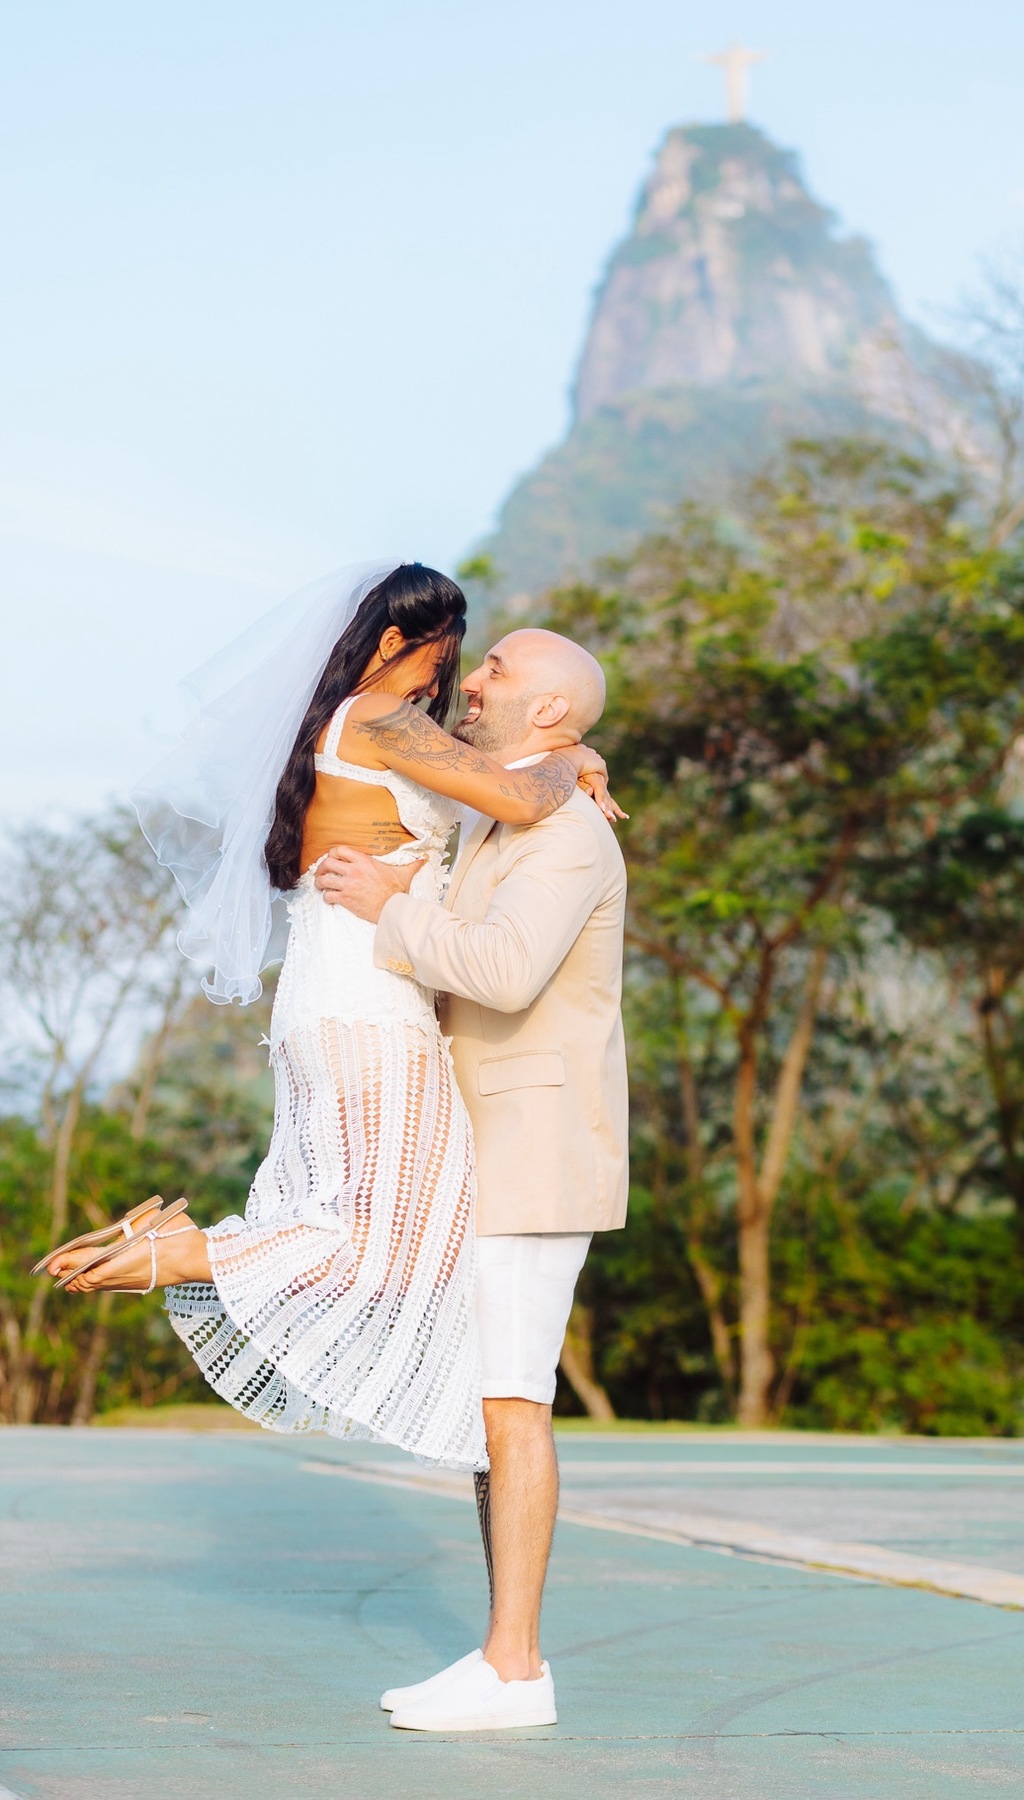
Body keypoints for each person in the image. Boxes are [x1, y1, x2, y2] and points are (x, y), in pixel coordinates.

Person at [40, 565, 616, 1480]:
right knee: (393, 1250)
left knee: (392, 1237)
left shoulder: (341, 730)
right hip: (371, 1005)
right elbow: (519, 800)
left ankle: (184, 1248)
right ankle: (184, 1251)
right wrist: (573, 759)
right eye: (444, 653)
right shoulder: (380, 721)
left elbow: (499, 794)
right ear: (395, 643)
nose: (450, 678)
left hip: (333, 1000)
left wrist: (552, 764)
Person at [314, 626, 628, 1734]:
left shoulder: (570, 837)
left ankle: (517, 1668)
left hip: (539, 1156)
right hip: (488, 1149)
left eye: (495, 668)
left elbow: (500, 971)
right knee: (495, 1404)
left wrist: (386, 912)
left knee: (514, 1406)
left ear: (547, 713)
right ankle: (503, 1658)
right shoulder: (520, 808)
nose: (473, 680)